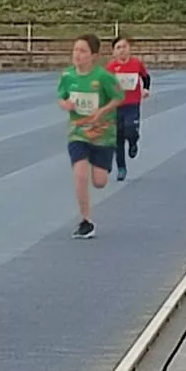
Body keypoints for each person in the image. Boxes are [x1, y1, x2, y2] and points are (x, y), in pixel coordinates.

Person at [59, 33, 120, 240]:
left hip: (103, 134)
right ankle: (86, 220)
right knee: (79, 174)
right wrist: (65, 104)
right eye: (75, 50)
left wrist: (101, 112)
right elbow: (61, 97)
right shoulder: (67, 76)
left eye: (83, 51)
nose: (77, 55)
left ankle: (101, 161)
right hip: (78, 133)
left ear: (94, 56)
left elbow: (118, 97)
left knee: (100, 181)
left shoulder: (103, 77)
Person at [107, 36, 152, 180]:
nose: (122, 51)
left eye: (124, 47)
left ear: (129, 49)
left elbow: (146, 77)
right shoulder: (111, 67)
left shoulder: (136, 64)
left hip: (132, 104)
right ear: (113, 52)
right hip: (116, 106)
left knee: (130, 129)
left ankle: (133, 142)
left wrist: (146, 89)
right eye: (118, 48)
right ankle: (121, 168)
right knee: (117, 138)